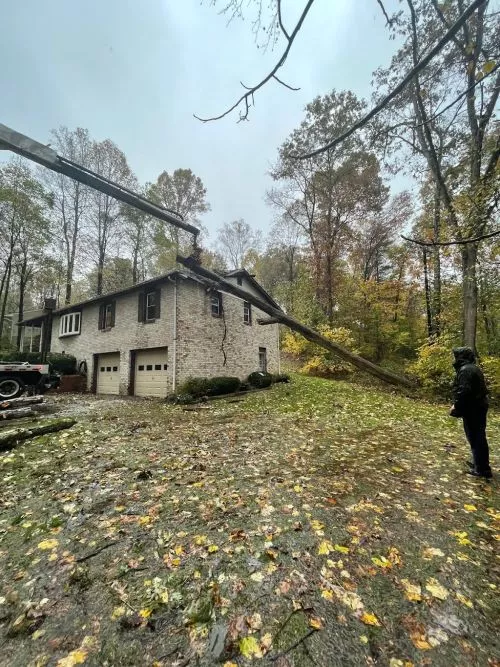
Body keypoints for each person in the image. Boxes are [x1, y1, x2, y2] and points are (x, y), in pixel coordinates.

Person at [450, 347, 492, 479]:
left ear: (461, 357)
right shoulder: (472, 368)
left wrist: (455, 405)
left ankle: (481, 469)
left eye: (456, 355)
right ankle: (479, 464)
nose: (454, 358)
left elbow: (464, 391)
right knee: (477, 436)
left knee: (476, 437)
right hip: (477, 406)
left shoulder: (466, 370)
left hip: (474, 408)